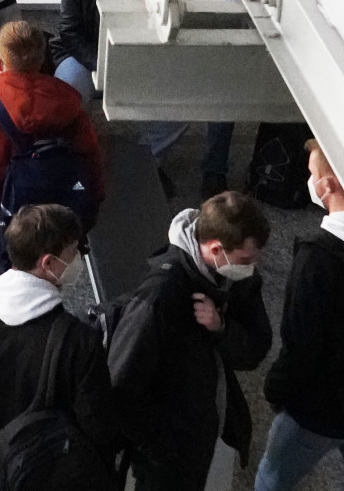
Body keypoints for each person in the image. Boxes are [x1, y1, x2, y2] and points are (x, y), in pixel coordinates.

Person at [55, 0, 235, 198]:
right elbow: (69, 30)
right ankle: (72, 164)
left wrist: (140, 64)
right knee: (63, 92)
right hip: (88, 55)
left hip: (144, 57)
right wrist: (103, 62)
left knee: (179, 108)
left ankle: (146, 160)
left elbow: (176, 22)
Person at [0, 204, 117, 491]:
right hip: (49, 475)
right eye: (73, 252)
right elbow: (99, 429)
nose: (78, 260)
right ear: (48, 263)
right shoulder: (79, 341)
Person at [110, 192, 274, 491]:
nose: (253, 266)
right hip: (170, 448)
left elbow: (255, 347)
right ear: (215, 249)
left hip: (202, 425)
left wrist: (222, 329)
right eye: (245, 259)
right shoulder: (160, 296)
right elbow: (121, 384)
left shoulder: (237, 277)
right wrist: (163, 446)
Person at [254, 141, 344, 491]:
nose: (309, 181)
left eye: (312, 174)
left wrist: (275, 390)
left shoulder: (317, 259)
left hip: (317, 411)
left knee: (272, 478)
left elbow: (300, 343)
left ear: (327, 186)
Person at [0, 20, 105, 245]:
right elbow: (96, 184)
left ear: (0, 63)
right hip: (55, 238)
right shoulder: (73, 114)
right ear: (41, 60)